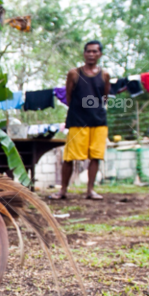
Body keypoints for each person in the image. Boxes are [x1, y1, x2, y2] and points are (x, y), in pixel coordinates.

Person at [50, 41, 110, 201]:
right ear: (84, 54)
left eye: (95, 52)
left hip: (99, 121)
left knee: (96, 156)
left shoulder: (105, 75)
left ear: (100, 54)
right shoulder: (74, 74)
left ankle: (90, 190)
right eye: (88, 51)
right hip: (77, 120)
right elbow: (69, 96)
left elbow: (104, 97)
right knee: (69, 157)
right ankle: (62, 190)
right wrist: (79, 110)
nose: (91, 54)